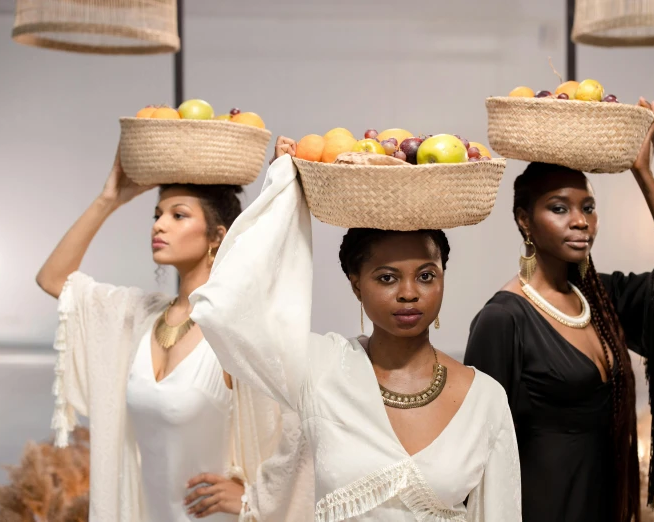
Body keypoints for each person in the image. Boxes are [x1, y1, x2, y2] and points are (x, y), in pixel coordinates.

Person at [190, 137, 523, 521]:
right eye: (386, 278)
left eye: (427, 275)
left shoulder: (485, 399)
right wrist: (282, 194)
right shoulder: (318, 369)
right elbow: (223, 310)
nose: (409, 293)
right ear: (355, 284)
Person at [35, 147, 313, 521]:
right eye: (157, 214)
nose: (159, 225)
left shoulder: (236, 332)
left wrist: (254, 497)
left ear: (218, 236)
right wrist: (109, 199)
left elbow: (300, 431)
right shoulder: (137, 318)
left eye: (178, 215)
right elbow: (53, 280)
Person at [463, 99, 654, 522]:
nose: (580, 221)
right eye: (559, 208)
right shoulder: (503, 320)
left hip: (604, 504)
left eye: (588, 208)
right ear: (525, 220)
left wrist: (643, 173)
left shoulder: (599, 297)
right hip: (542, 508)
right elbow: (476, 452)